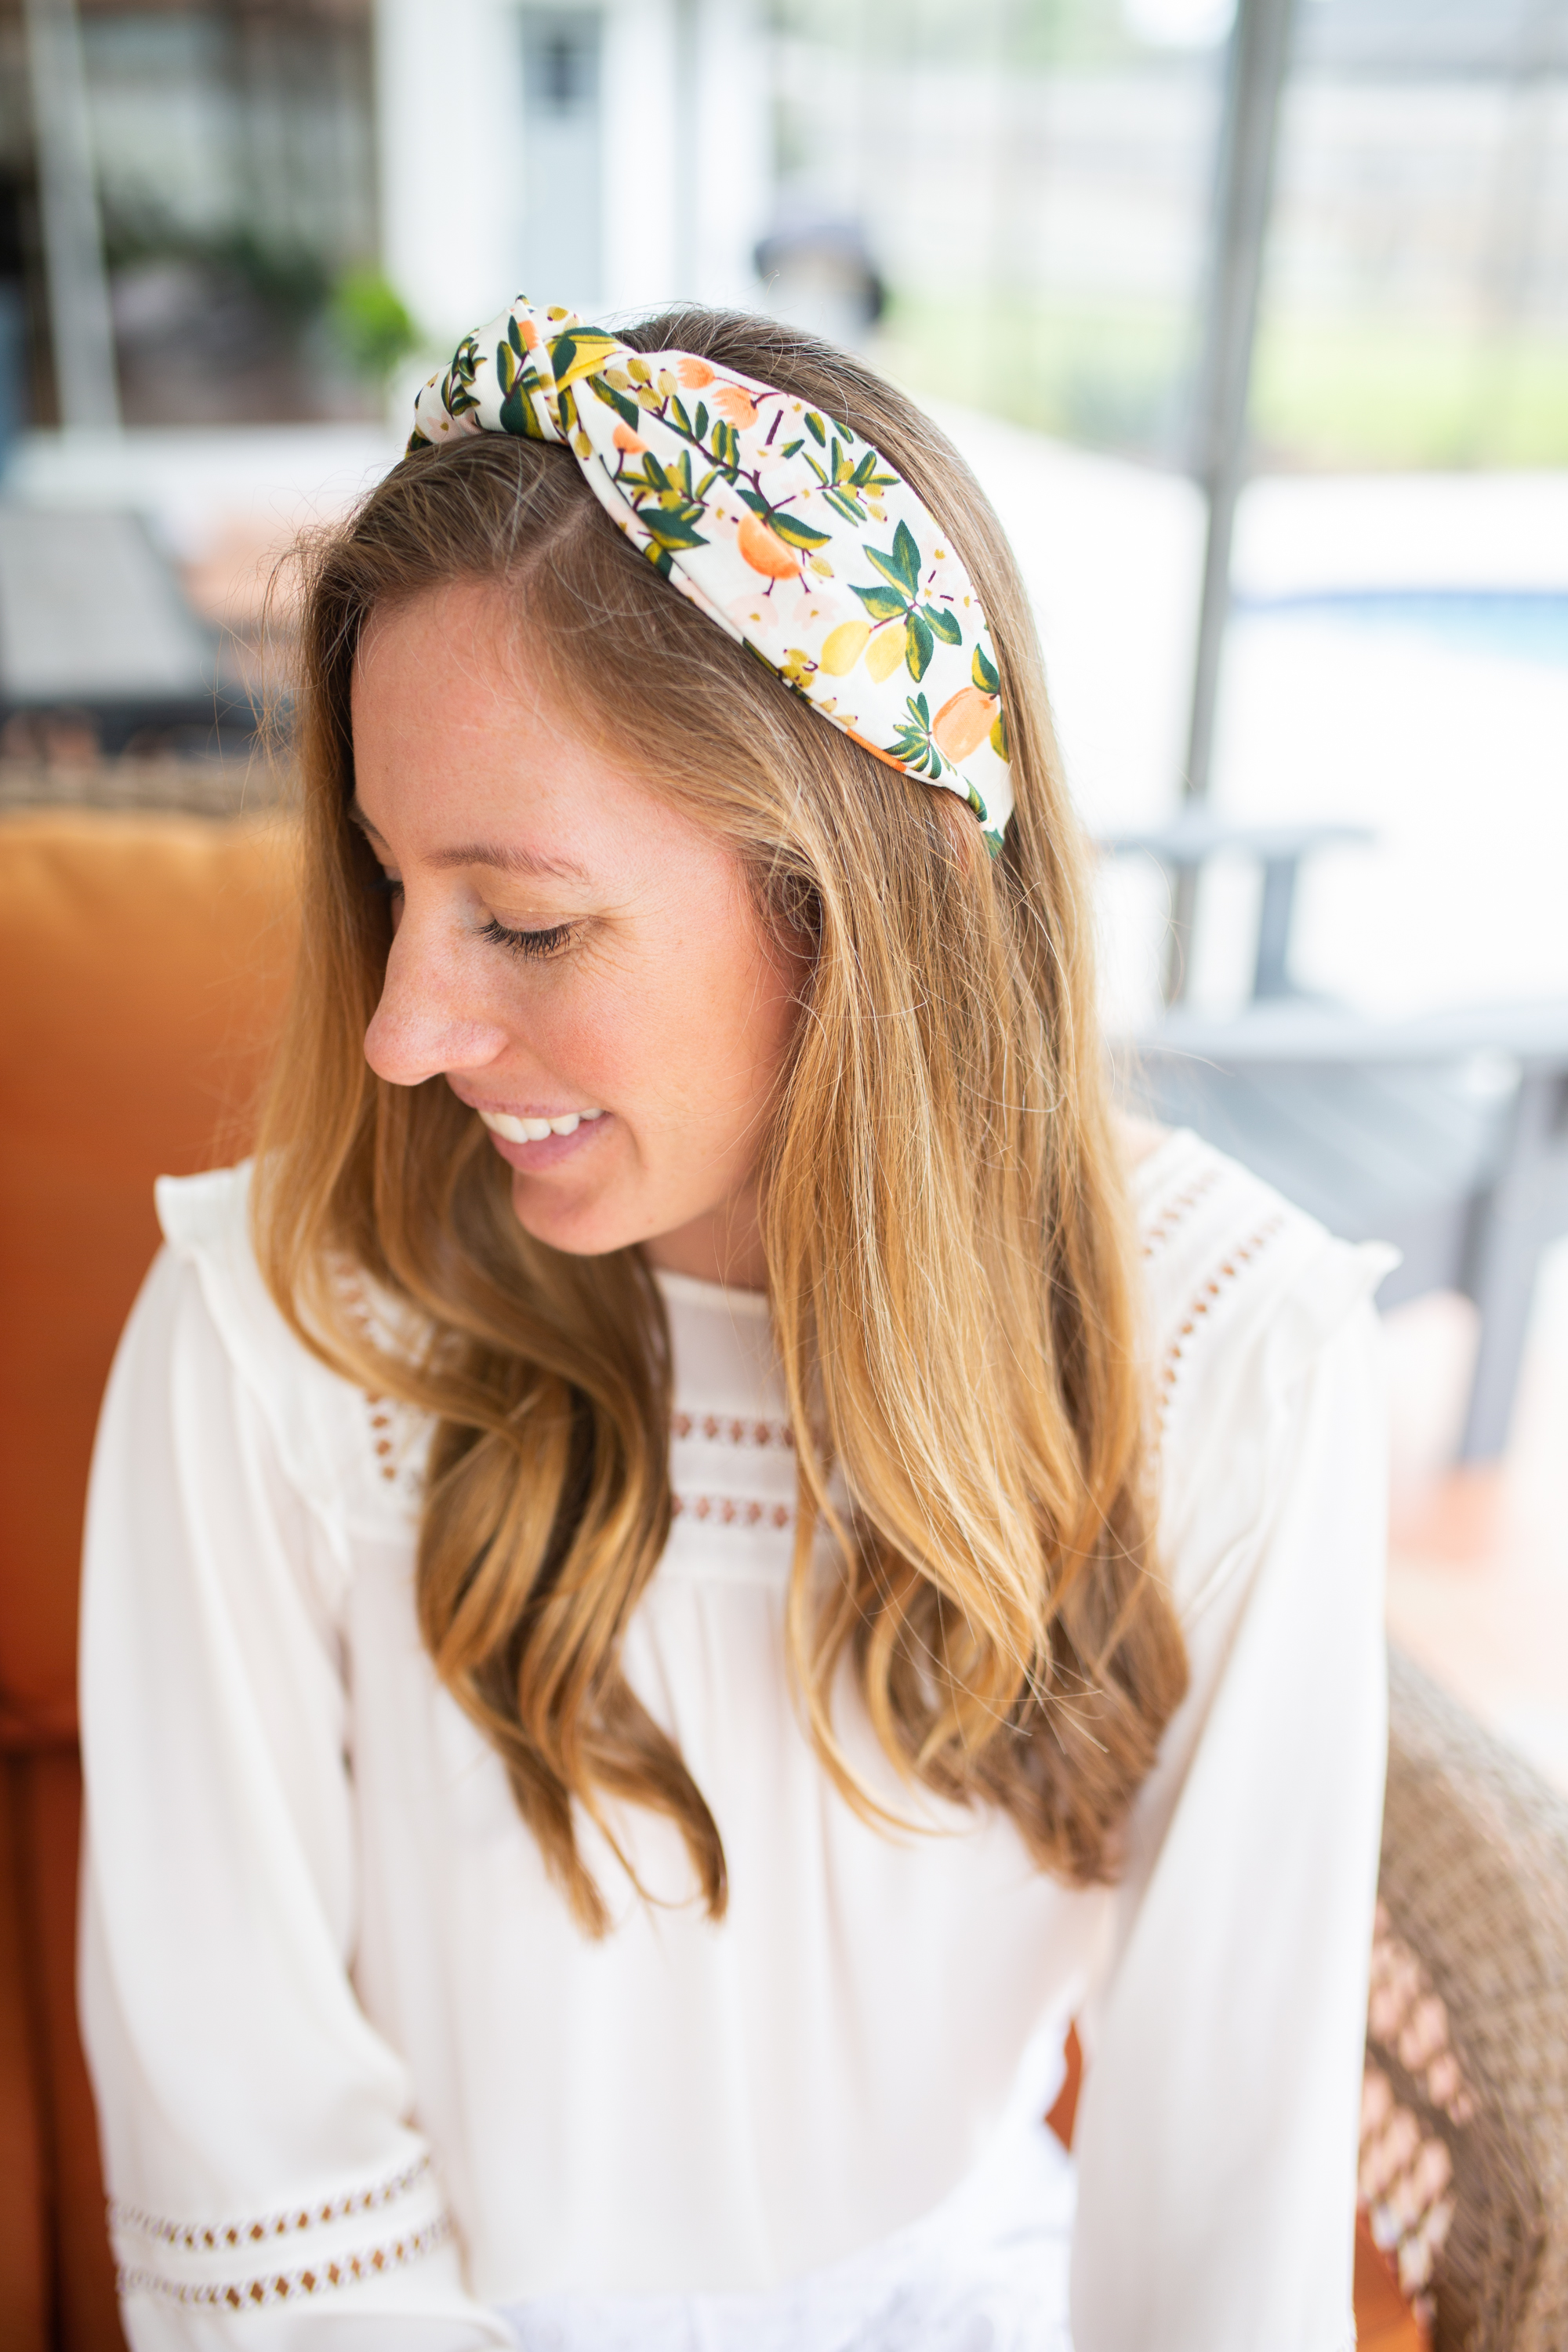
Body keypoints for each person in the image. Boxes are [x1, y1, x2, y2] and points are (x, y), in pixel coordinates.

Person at [79, 299, 1390, 2352]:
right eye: (387, 884)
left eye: (523, 919)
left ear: (845, 893)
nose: (405, 1034)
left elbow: (1227, 2216)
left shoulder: (1234, 1360)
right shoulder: (269, 1338)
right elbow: (259, 2186)